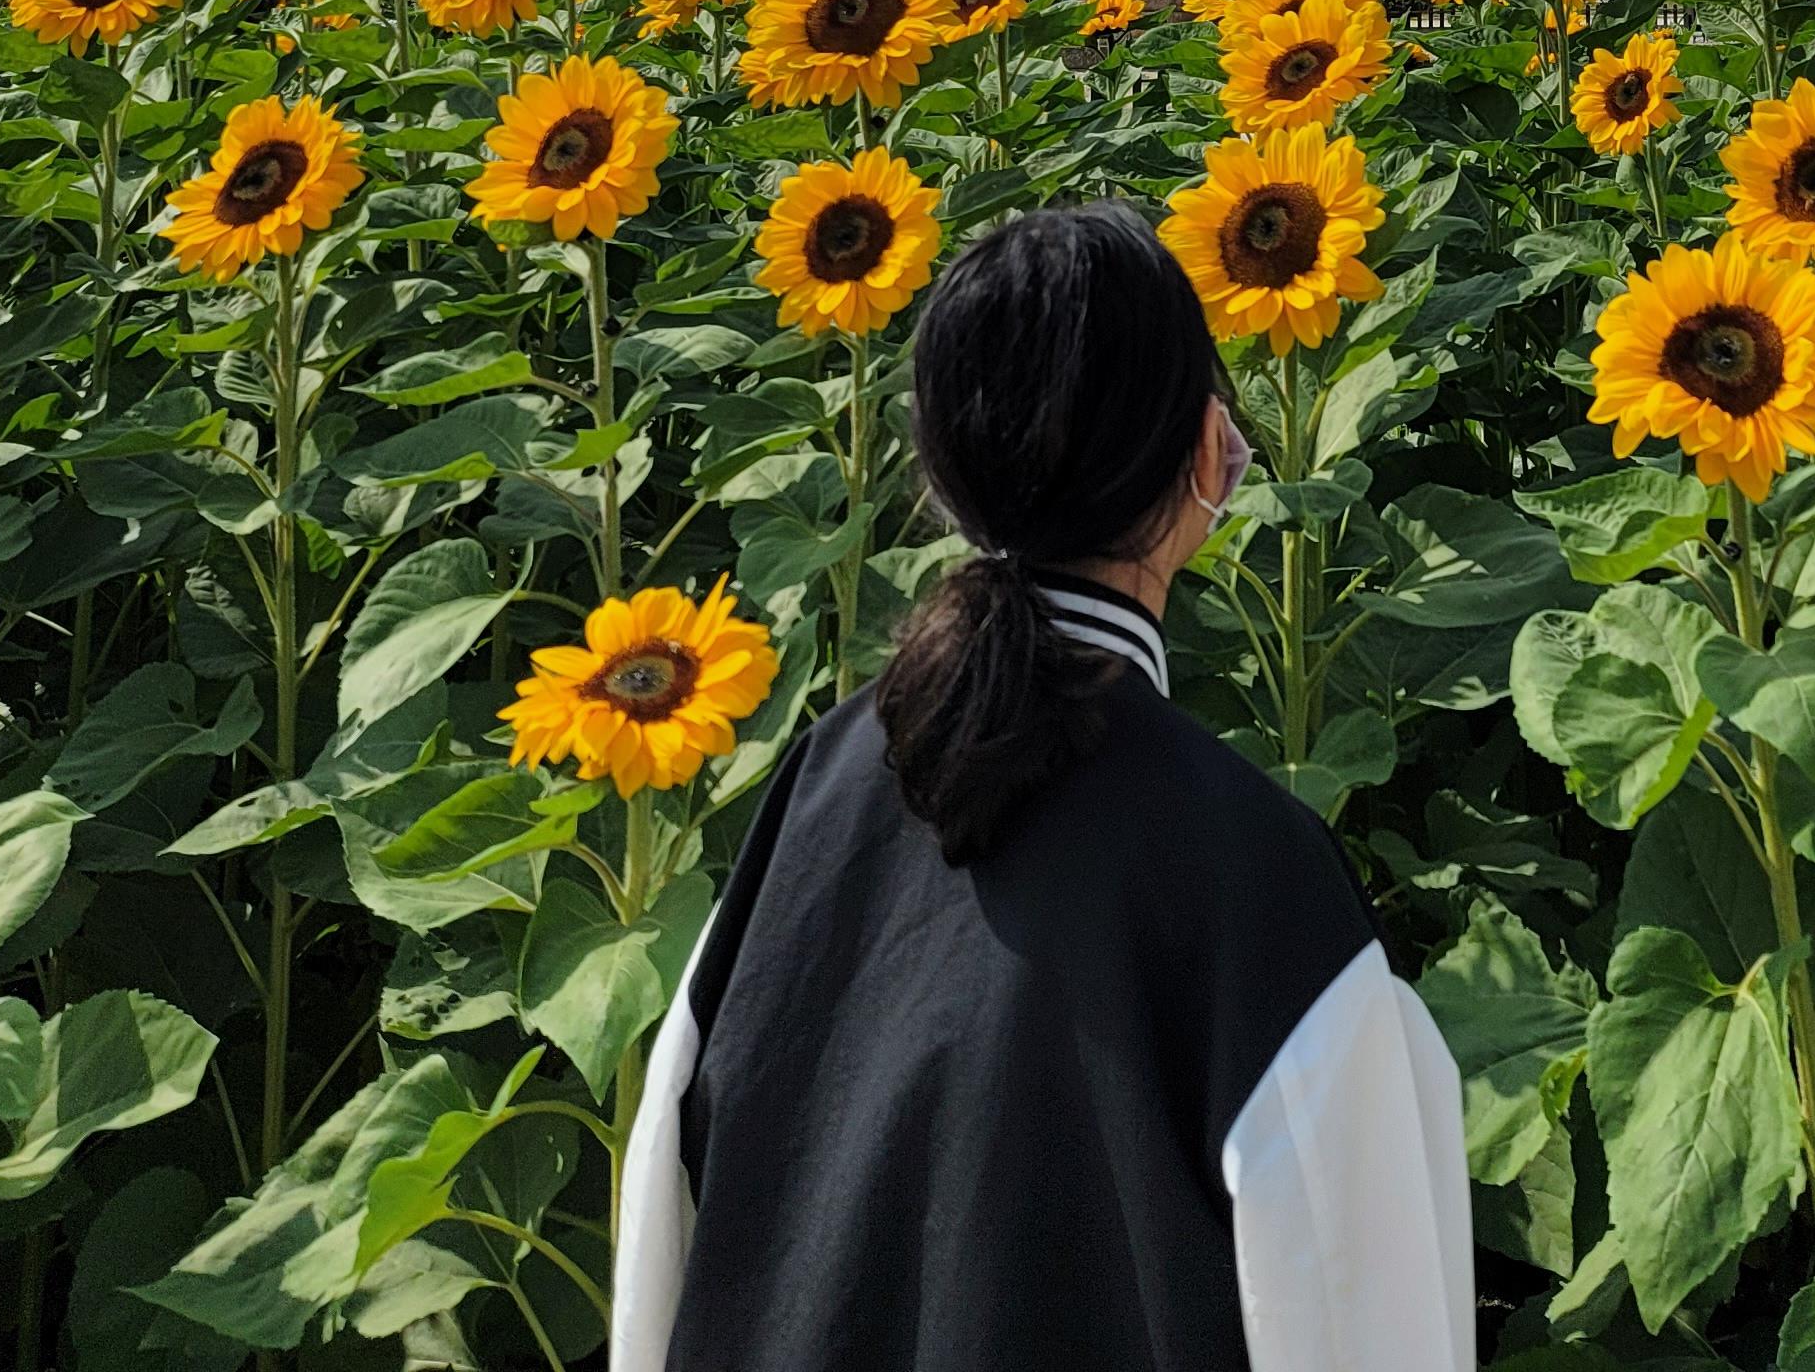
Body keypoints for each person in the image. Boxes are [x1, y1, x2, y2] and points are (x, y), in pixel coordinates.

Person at [611, 198, 1475, 1372]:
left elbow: (663, 1260)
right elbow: (1360, 1318)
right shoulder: (1253, 884)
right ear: (1211, 454)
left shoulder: (805, 807)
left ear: (941, 474)